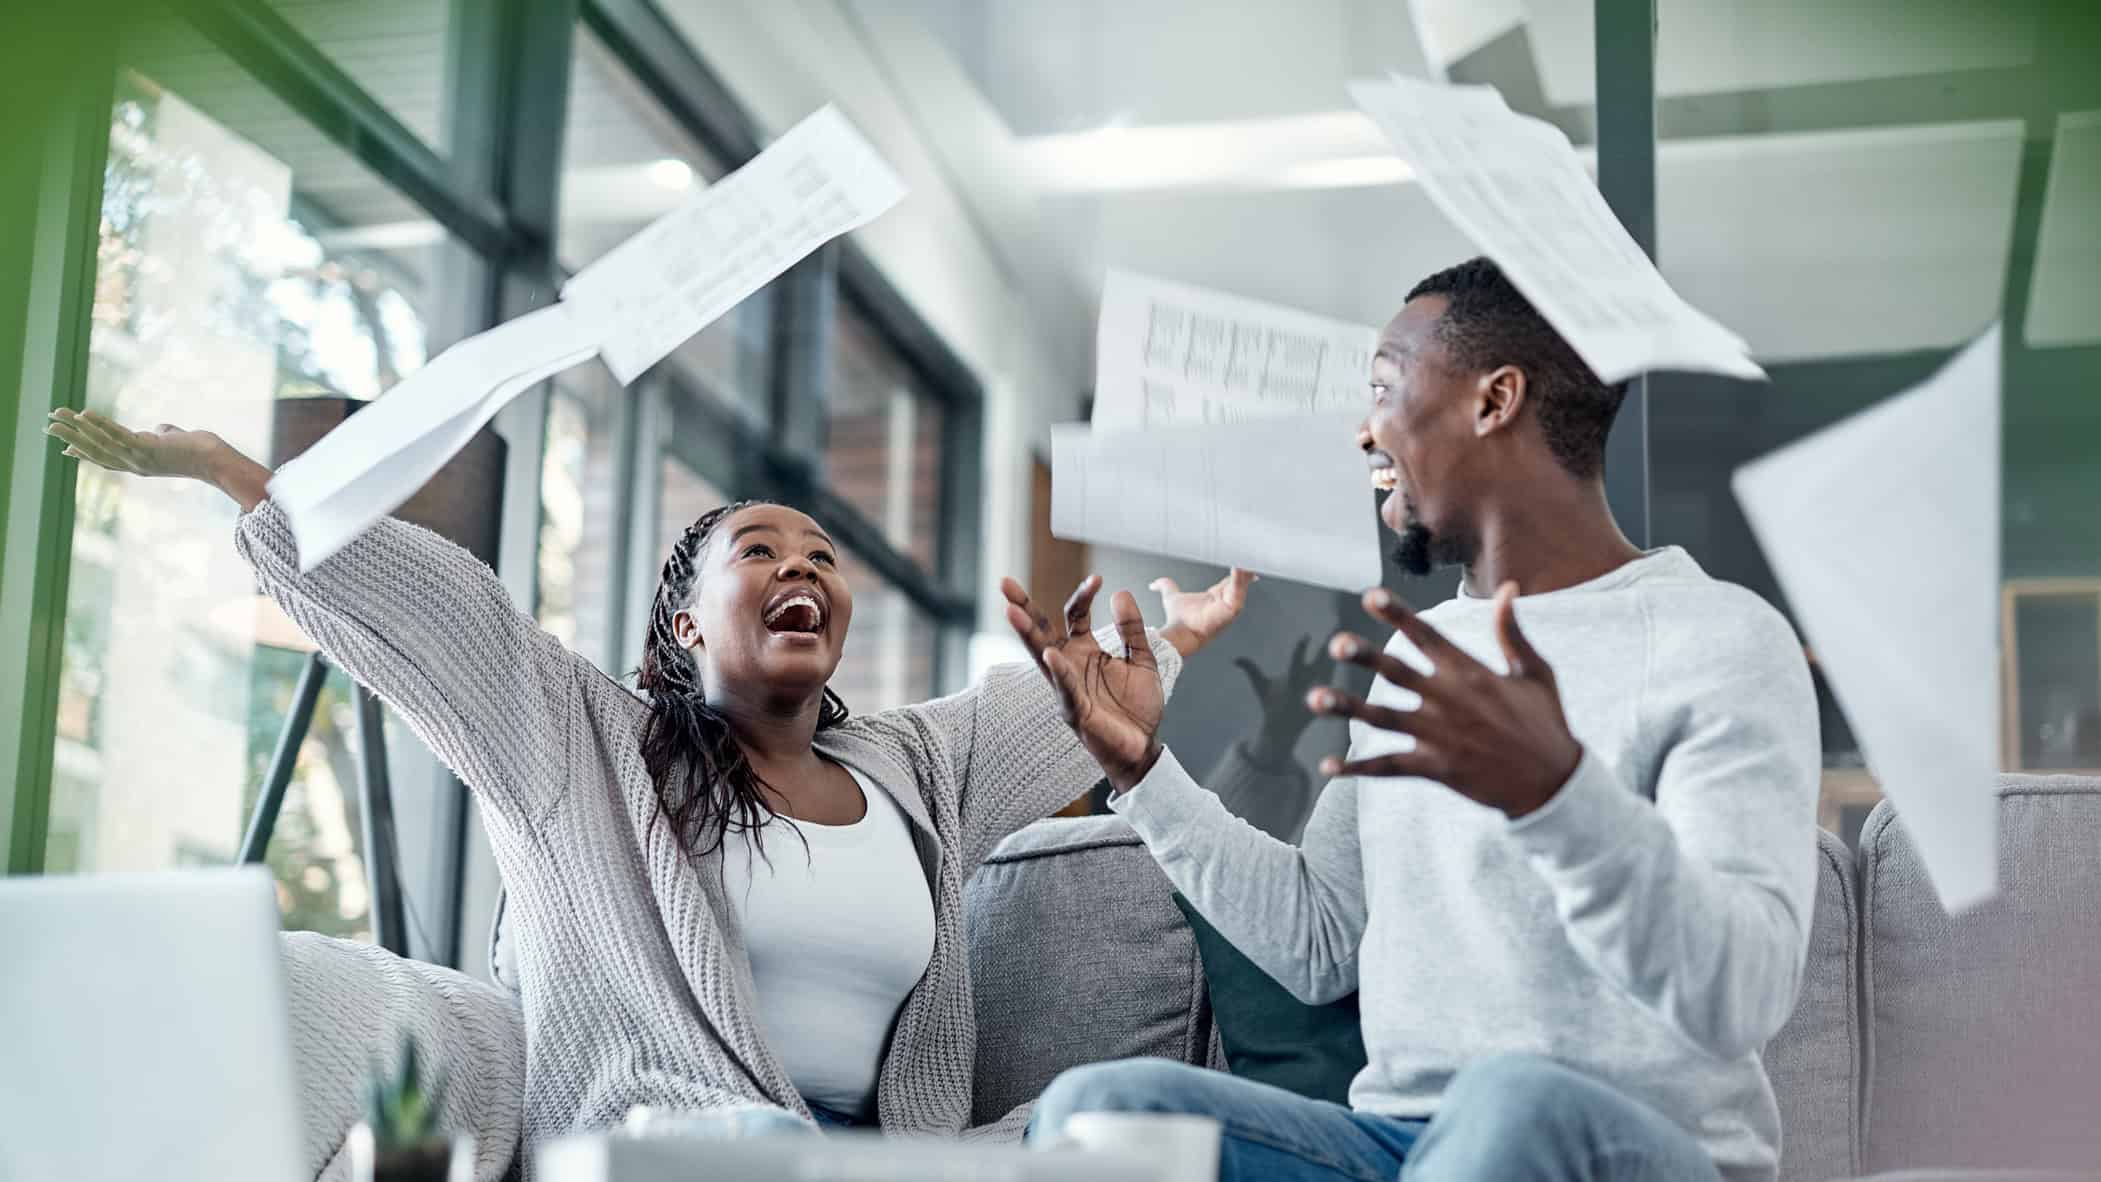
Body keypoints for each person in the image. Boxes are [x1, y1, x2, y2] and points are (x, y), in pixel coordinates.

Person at [44, 406, 1251, 1146]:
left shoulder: (918, 768)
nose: (805, 567)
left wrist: (1175, 639)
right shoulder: (579, 744)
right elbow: (432, 612)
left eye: (822, 556)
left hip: (876, 1158)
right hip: (672, 1151)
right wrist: (232, 474)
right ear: (682, 625)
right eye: (761, 551)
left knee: (1109, 1125)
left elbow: (1068, 702)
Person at [1018, 257, 1820, 1182]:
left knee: (1508, 1101)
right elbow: (1318, 943)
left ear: (1495, 399)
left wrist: (1559, 796)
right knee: (1102, 1110)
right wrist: (1142, 773)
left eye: (1382, 387)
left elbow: (1742, 993)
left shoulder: (1717, 638)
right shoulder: (1410, 655)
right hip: (1405, 1147)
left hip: (1627, 1150)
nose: (1364, 430)